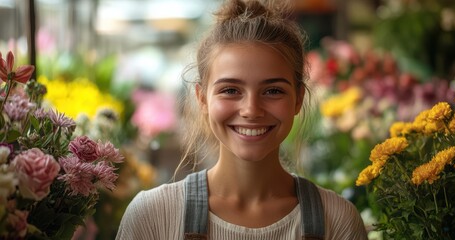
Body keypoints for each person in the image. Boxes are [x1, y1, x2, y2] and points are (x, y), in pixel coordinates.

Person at [116, 0, 368, 239]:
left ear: (298, 98)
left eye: (273, 91)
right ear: (202, 98)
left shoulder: (337, 220)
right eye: (230, 90)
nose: (251, 110)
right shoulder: (151, 216)